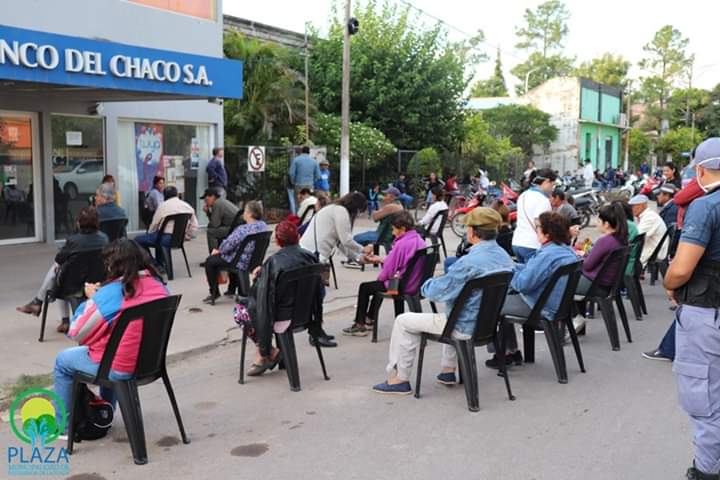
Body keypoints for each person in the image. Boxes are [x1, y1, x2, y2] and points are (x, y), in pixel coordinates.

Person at [372, 208, 513, 394]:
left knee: (404, 321)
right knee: (455, 309)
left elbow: (436, 293)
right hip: (486, 325)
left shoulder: (469, 262)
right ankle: (447, 370)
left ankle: (400, 379)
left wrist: (428, 282)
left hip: (463, 326)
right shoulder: (504, 257)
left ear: (472, 232)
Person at [53, 239, 168, 426]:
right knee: (116, 345)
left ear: (112, 265)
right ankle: (107, 411)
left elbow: (76, 333)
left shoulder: (111, 293)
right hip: (150, 363)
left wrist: (91, 300)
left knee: (63, 361)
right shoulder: (158, 286)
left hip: (121, 368)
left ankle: (62, 426)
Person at [663, 138, 720, 480]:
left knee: (706, 400)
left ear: (699, 169)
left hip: (707, 312)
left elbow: (682, 269)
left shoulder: (706, 206)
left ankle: (707, 471)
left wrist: (670, 284)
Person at [486, 212, 579, 368]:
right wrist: (514, 266)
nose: (536, 231)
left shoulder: (547, 254)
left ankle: (505, 353)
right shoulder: (565, 250)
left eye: (538, 228)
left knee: (493, 303)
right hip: (559, 305)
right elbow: (534, 271)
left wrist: (508, 272)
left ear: (547, 233)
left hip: (540, 307)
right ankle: (511, 351)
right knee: (504, 298)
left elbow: (522, 284)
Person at [237, 221, 323, 376]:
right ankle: (271, 353)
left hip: (281, 316)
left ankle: (267, 352)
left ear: (277, 241)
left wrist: (258, 276)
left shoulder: (274, 262)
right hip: (305, 313)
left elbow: (257, 294)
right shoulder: (311, 257)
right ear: (298, 237)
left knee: (240, 310)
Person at [17, 207, 110, 333]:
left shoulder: (73, 241)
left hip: (73, 285)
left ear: (78, 223)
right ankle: (40, 305)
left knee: (57, 271)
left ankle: (44, 306)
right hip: (98, 281)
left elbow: (58, 259)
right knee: (61, 273)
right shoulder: (104, 238)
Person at [342, 212, 426, 337]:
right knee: (377, 286)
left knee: (366, 287)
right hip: (415, 282)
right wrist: (381, 259)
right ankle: (370, 318)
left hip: (402, 285)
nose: (392, 232)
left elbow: (389, 271)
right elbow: (400, 262)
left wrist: (380, 275)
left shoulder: (402, 245)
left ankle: (360, 325)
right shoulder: (418, 240)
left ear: (402, 229)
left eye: (394, 229)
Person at [573, 203, 629, 332]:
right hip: (607, 283)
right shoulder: (620, 239)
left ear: (606, 224)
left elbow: (587, 265)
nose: (597, 222)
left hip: (596, 284)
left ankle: (574, 318)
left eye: (599, 220)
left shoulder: (605, 240)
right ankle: (577, 318)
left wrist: (581, 257)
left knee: (561, 282)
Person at [203, 201, 267, 305]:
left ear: (250, 214)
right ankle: (233, 289)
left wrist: (218, 250)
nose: (243, 214)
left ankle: (214, 293)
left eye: (245, 211)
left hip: (240, 261)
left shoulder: (242, 229)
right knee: (233, 255)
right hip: (254, 260)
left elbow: (227, 246)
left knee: (210, 261)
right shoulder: (263, 226)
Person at [135, 186, 198, 268]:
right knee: (158, 236)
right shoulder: (187, 206)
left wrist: (149, 233)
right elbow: (194, 225)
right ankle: (161, 263)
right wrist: (186, 235)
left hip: (165, 237)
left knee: (137, 240)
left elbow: (154, 224)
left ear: (164, 196)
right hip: (179, 238)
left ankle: (153, 263)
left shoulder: (163, 206)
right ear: (177, 194)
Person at [512, 168, 556, 263]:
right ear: (547, 181)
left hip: (517, 242)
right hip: (533, 245)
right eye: (553, 185)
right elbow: (539, 222)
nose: (552, 189)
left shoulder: (523, 195)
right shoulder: (542, 200)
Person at [352, 186, 403, 251]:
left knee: (356, 238)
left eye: (385, 195)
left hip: (382, 236)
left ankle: (360, 258)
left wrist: (381, 206)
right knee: (367, 234)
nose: (384, 196)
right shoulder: (400, 205)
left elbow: (374, 217)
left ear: (391, 196)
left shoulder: (391, 206)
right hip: (389, 235)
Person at [629, 194, 668, 266]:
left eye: (633, 206)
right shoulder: (647, 215)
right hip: (652, 247)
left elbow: (636, 236)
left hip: (655, 250)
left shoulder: (649, 217)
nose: (631, 209)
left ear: (642, 206)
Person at [202, 187, 239, 252]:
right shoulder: (221, 201)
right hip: (235, 226)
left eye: (206, 200)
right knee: (214, 230)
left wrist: (208, 212)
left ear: (212, 197)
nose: (205, 202)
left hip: (235, 228)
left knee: (211, 232)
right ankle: (220, 252)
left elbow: (214, 224)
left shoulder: (217, 204)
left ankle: (213, 255)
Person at [289, 146, 321, 211]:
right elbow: (318, 175)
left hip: (299, 185)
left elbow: (291, 173)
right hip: (310, 185)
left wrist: (293, 182)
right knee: (310, 202)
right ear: (309, 152)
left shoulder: (296, 160)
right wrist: (313, 181)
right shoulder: (314, 161)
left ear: (301, 151)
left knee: (299, 203)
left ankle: (299, 218)